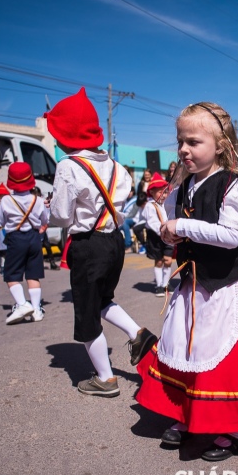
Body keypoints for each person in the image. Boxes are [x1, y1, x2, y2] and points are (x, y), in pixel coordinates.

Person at [135, 102, 238, 462]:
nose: (184, 149)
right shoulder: (183, 188)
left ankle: (234, 429)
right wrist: (169, 235)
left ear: (220, 145)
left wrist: (180, 227)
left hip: (223, 287)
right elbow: (172, 225)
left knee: (221, 359)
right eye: (180, 141)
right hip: (192, 286)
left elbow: (230, 236)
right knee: (189, 351)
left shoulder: (234, 186)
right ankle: (190, 415)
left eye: (194, 141)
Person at [47, 88, 158, 397]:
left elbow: (59, 216)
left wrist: (50, 208)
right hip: (113, 241)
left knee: (86, 311)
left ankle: (106, 378)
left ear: (66, 134)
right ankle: (138, 333)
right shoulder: (115, 165)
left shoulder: (68, 166)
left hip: (88, 244)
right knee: (103, 299)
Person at [0, 162, 48, 324]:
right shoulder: (38, 200)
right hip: (33, 237)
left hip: (16, 238)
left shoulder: (6, 200)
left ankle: (22, 304)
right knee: (33, 273)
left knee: (12, 274)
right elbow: (45, 219)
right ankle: (37, 310)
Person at [139, 173, 173, 296]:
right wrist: (162, 232)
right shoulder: (149, 205)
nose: (163, 195)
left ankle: (166, 284)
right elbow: (152, 222)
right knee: (159, 261)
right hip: (156, 236)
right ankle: (159, 285)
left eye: (164, 192)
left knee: (168, 260)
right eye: (160, 192)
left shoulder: (167, 204)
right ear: (152, 192)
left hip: (168, 235)